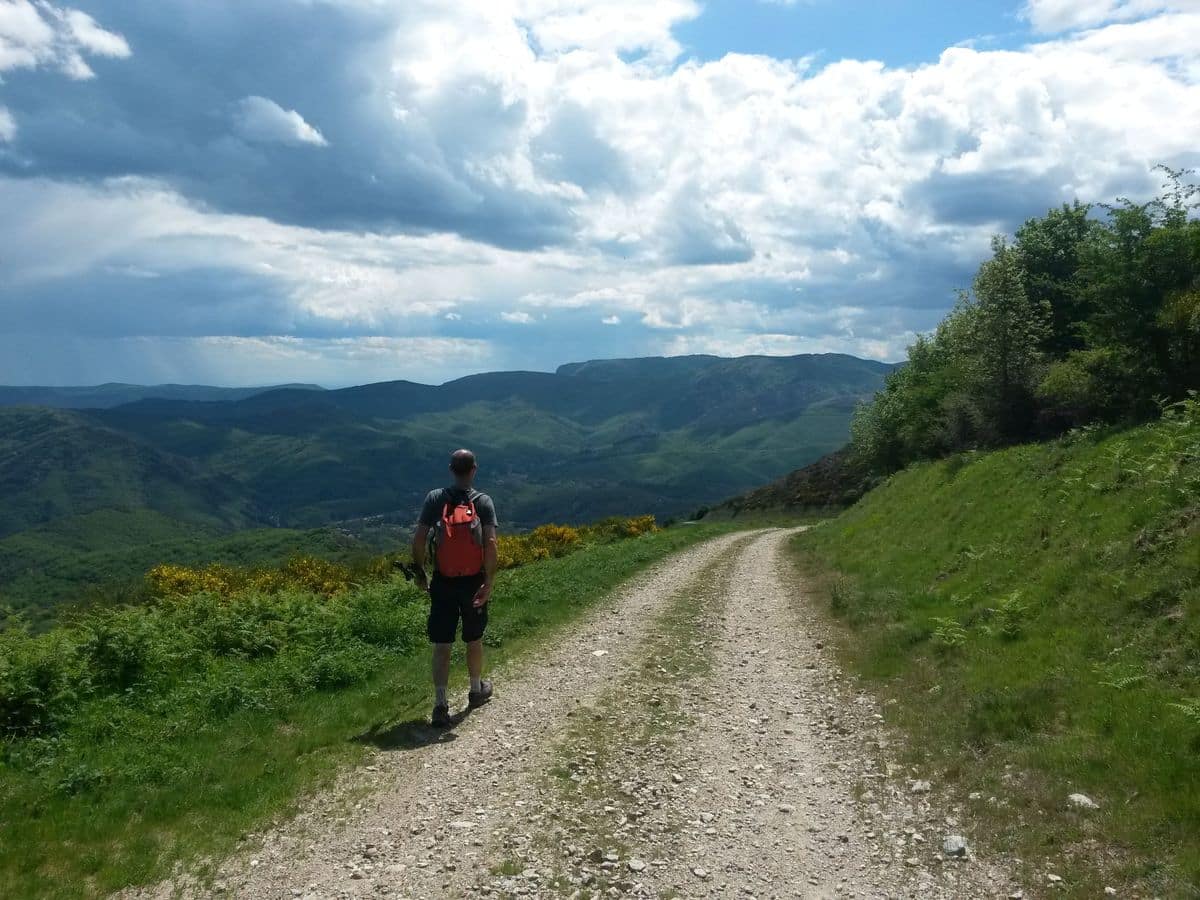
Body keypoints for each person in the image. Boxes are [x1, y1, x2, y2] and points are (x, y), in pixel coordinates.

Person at [412, 448, 498, 727]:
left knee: (442, 644)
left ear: (451, 469)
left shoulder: (435, 499)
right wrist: (489, 581)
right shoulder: (483, 502)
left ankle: (440, 704)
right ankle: (475, 690)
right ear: (474, 470)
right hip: (472, 581)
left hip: (443, 581)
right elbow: (491, 544)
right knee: (473, 638)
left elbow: (420, 539)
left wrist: (421, 573)